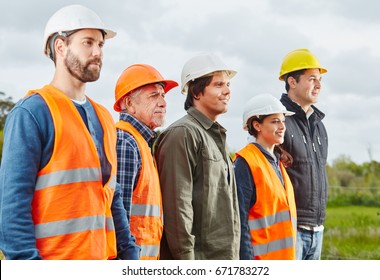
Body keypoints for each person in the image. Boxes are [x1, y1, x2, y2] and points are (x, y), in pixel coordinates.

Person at [0, 4, 140, 260]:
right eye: (88, 43)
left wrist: (129, 256)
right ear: (60, 47)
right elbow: (12, 208)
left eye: (100, 45)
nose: (97, 52)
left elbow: (112, 194)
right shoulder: (32, 113)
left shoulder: (104, 118)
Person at [154, 53, 241, 260]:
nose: (228, 91)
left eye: (228, 84)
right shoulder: (182, 134)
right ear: (196, 91)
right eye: (219, 84)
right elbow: (177, 208)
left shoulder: (215, 136)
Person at [113, 64, 178, 259]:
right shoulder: (125, 142)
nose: (163, 103)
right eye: (153, 96)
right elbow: (119, 220)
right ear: (129, 104)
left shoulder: (141, 142)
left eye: (163, 96)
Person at [278, 48, 328, 260]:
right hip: (290, 228)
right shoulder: (277, 119)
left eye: (320, 79)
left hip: (317, 229)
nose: (318, 85)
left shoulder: (319, 126)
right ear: (292, 82)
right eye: (312, 79)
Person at [234, 94, 297, 260]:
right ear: (257, 125)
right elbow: (240, 223)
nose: (282, 126)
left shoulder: (277, 162)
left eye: (283, 120)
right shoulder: (245, 163)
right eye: (275, 121)